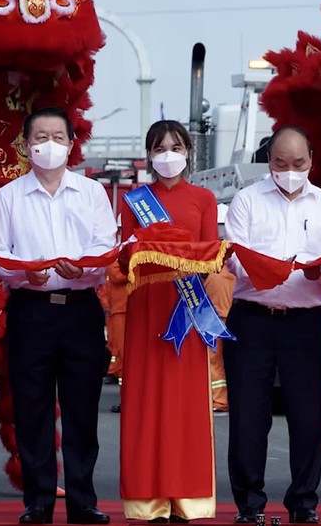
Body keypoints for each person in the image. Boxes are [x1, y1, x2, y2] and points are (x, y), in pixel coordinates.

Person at [0, 107, 117, 525]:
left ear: (71, 144)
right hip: (31, 310)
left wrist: (84, 270)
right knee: (32, 408)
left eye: (58, 137)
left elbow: (105, 246)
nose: (49, 145)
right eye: (40, 137)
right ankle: (38, 500)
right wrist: (22, 272)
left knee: (82, 409)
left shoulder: (91, 193)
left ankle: (82, 500)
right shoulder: (8, 197)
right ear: (25, 145)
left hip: (80, 310)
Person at [224, 126, 321, 524]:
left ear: (311, 161)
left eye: (298, 163)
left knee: (306, 414)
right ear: (269, 162)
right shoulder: (246, 199)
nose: (290, 171)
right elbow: (234, 258)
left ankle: (304, 502)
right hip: (252, 318)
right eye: (280, 163)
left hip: (304, 321)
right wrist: (268, 270)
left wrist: (319, 272)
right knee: (248, 415)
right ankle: (249, 504)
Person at [118, 120, 220, 522]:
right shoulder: (133, 200)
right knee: (146, 400)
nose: (168, 156)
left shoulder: (204, 198)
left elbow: (210, 253)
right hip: (147, 306)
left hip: (187, 308)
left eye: (176, 148)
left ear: (188, 153)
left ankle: (187, 498)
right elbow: (124, 256)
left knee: (186, 401)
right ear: (149, 155)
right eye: (160, 149)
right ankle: (149, 499)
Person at [204, 266, 236, 412]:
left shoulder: (215, 267)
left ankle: (219, 400)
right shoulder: (233, 267)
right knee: (217, 360)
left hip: (215, 316)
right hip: (224, 314)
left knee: (214, 360)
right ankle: (221, 399)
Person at [99, 260, 128, 413]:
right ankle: (126, 398)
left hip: (123, 309)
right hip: (118, 310)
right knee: (121, 355)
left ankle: (129, 399)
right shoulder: (116, 259)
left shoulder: (119, 259)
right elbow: (115, 276)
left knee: (125, 357)